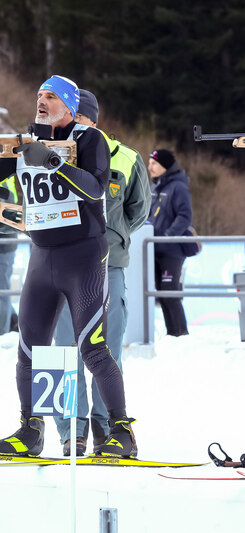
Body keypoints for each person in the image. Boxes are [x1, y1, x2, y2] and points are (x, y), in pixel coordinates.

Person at [0, 75, 137, 458]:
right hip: (42, 258)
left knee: (93, 349)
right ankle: (31, 429)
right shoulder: (27, 140)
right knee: (29, 351)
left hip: (83, 258)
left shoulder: (89, 139)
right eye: (39, 94)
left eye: (51, 96)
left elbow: (95, 187)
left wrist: (52, 161)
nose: (41, 100)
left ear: (70, 106)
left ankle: (122, 431)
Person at [52, 89, 151, 456]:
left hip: (108, 267)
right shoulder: (49, 153)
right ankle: (71, 430)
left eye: (80, 118)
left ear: (93, 120)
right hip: (62, 266)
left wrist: (111, 236)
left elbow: (138, 211)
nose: (74, 125)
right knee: (65, 350)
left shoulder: (125, 157)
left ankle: (107, 428)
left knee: (106, 349)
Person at [147, 148, 192, 337]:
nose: (150, 167)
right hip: (154, 248)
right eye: (149, 163)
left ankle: (181, 334)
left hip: (171, 251)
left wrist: (167, 236)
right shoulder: (155, 188)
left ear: (165, 166)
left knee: (170, 292)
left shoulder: (178, 187)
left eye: (154, 163)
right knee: (162, 293)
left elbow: (185, 216)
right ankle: (172, 334)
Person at [0, 176, 19, 335]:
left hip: (4, 245)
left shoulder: (5, 181)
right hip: (6, 242)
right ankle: (13, 321)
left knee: (1, 291)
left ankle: (3, 334)